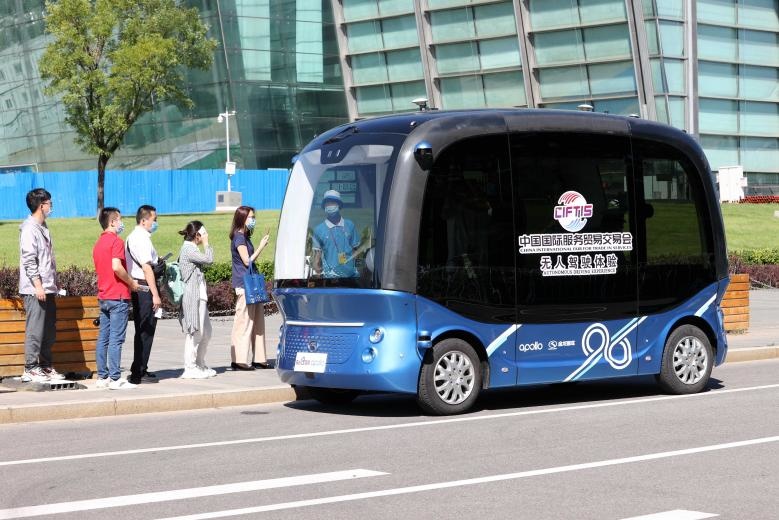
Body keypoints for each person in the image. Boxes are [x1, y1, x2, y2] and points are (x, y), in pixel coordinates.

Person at [18, 188, 66, 383]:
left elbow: (46, 260)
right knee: (35, 329)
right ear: (41, 205)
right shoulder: (29, 228)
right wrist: (38, 285)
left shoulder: (42, 226)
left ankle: (45, 366)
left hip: (47, 287)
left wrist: (54, 283)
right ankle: (30, 368)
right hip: (35, 289)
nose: (51, 206)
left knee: (48, 330)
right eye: (49, 203)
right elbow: (29, 260)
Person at [93, 207, 140, 390]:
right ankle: (115, 378)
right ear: (112, 222)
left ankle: (102, 376)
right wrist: (131, 282)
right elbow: (116, 267)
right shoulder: (116, 242)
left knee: (103, 337)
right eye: (119, 219)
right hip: (118, 295)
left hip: (104, 295)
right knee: (116, 338)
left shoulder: (98, 243)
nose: (121, 223)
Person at [229, 206, 270, 370]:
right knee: (244, 323)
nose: (253, 220)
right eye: (251, 217)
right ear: (242, 218)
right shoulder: (239, 238)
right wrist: (261, 246)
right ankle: (239, 360)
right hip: (244, 285)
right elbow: (247, 261)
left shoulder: (245, 237)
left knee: (258, 322)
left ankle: (259, 358)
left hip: (252, 285)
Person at [125, 205, 161, 385]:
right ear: (144, 220)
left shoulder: (135, 236)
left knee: (143, 329)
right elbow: (147, 268)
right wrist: (155, 294)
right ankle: (138, 371)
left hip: (140, 286)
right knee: (145, 330)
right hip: (145, 287)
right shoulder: (141, 238)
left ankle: (141, 367)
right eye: (154, 219)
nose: (156, 223)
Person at [177, 221, 215, 379]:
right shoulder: (188, 249)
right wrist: (207, 244)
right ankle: (190, 367)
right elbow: (209, 259)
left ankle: (199, 363)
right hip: (192, 296)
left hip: (200, 296)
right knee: (194, 332)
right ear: (197, 235)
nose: (205, 236)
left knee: (206, 332)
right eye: (203, 233)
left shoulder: (191, 248)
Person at [311, 190, 362, 278]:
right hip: (329, 277)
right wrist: (318, 272)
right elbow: (317, 256)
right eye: (327, 203)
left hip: (351, 276)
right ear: (324, 206)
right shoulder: (319, 229)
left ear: (339, 205)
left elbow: (357, 251)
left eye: (333, 202)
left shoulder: (350, 225)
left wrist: (361, 272)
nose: (330, 205)